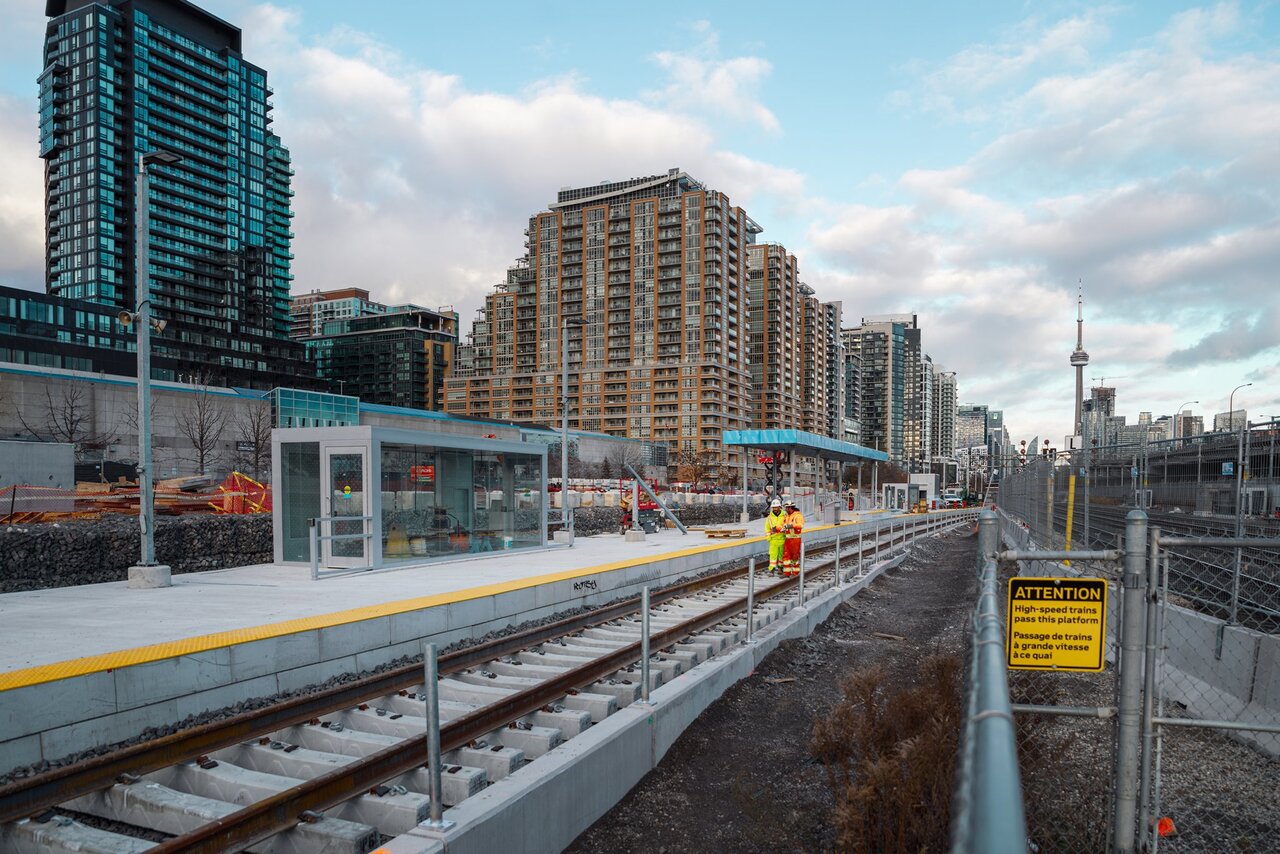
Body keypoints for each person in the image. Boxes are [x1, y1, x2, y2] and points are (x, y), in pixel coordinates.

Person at [782, 498, 804, 576]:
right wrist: (778, 528)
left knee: (794, 557)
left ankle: (795, 572)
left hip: (795, 539)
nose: (785, 509)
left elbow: (800, 525)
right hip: (788, 539)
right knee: (786, 556)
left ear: (790, 508)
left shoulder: (798, 516)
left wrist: (791, 525)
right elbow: (783, 524)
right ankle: (787, 573)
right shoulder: (787, 516)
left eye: (786, 508)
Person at [764, 498, 787, 573]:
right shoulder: (769, 517)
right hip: (773, 540)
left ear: (780, 507)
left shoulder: (785, 516)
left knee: (781, 555)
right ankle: (772, 569)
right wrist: (768, 538)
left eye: (776, 507)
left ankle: (780, 568)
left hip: (782, 539)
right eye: (773, 508)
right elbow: (767, 528)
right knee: (773, 556)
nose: (775, 509)